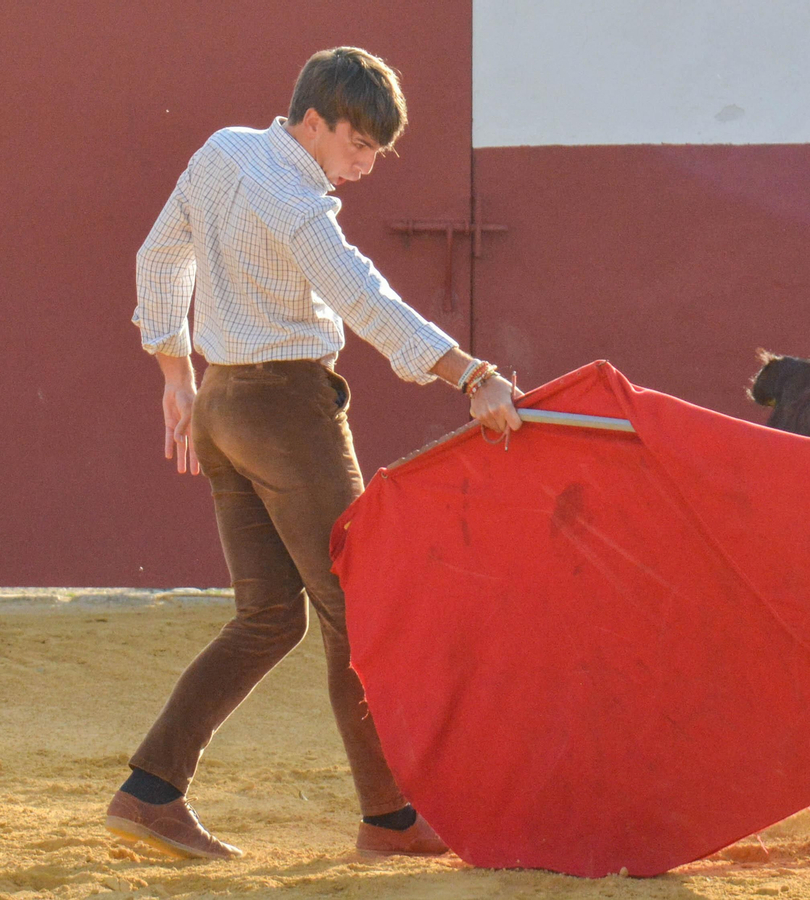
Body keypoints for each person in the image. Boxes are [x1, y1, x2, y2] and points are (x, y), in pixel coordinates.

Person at [105, 46, 523, 861]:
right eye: (356, 143)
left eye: (373, 150)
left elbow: (160, 256)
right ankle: (388, 817)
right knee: (356, 611)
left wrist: (176, 376)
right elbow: (365, 298)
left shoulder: (223, 150)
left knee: (267, 618)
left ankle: (150, 792)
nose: (363, 166)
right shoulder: (297, 200)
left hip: (223, 402)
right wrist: (471, 374)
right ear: (312, 121)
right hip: (288, 410)